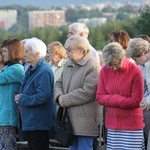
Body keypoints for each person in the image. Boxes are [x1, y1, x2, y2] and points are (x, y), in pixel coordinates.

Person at [55, 36, 101, 150]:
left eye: (69, 49)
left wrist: (64, 100)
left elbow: (88, 92)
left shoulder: (93, 65)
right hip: (69, 119)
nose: (66, 51)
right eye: (66, 48)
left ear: (81, 51)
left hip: (85, 120)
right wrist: (59, 96)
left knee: (84, 148)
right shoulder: (69, 63)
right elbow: (58, 84)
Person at [96, 42, 145, 150]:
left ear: (123, 57)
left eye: (116, 64)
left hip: (132, 125)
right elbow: (99, 97)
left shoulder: (135, 70)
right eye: (110, 65)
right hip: (113, 125)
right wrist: (120, 99)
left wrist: (112, 98)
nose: (113, 68)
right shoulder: (105, 70)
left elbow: (136, 100)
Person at [15, 37, 56, 150]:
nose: (24, 53)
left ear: (37, 54)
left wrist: (22, 99)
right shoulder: (32, 69)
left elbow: (43, 96)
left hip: (38, 123)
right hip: (32, 121)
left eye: (27, 51)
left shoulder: (43, 71)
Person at [0, 38, 25, 150]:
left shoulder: (16, 69)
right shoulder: (9, 68)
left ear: (12, 52)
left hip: (8, 118)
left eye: (5, 51)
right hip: (3, 116)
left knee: (7, 147)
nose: (2, 54)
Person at [126, 37, 150, 149]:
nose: (135, 62)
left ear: (142, 53)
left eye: (135, 58)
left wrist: (148, 100)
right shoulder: (141, 66)